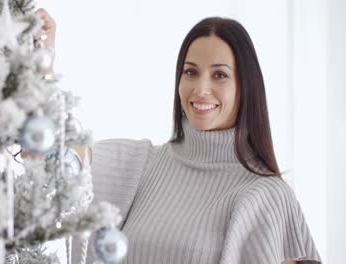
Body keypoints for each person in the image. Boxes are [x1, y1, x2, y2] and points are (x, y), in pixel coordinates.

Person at [33, 8, 322, 264]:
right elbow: (45, 152)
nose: (200, 89)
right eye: (191, 72)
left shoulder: (266, 196)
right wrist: (43, 64)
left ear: (245, 86)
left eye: (219, 75)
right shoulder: (141, 165)